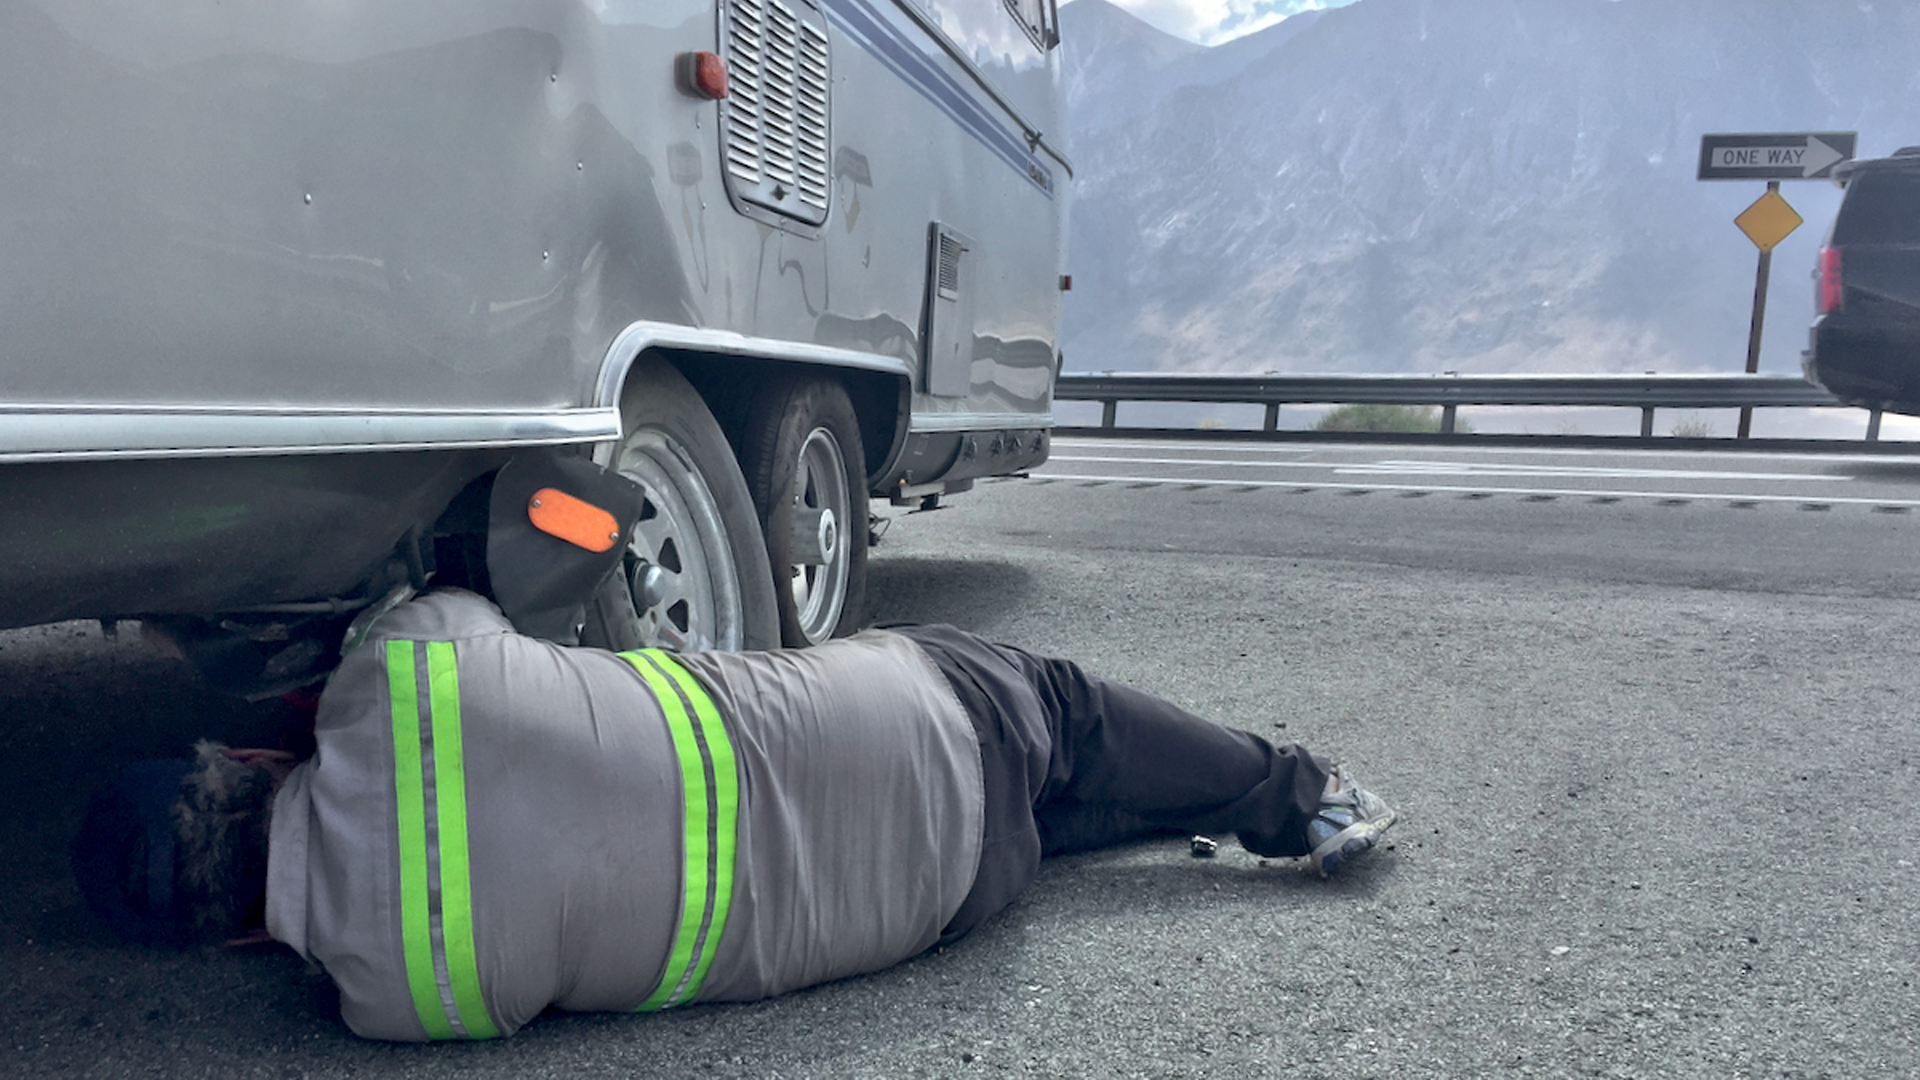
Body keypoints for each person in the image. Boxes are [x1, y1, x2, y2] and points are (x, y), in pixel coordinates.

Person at [73, 589, 1396, 1042]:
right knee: (1057, 712)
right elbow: (470, 600)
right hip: (918, 715)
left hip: (936, 903)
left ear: (237, 943)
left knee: (1028, 818)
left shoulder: (391, 1005)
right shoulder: (403, 678)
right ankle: (1298, 790)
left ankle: (1168, 816)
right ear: (249, 758)